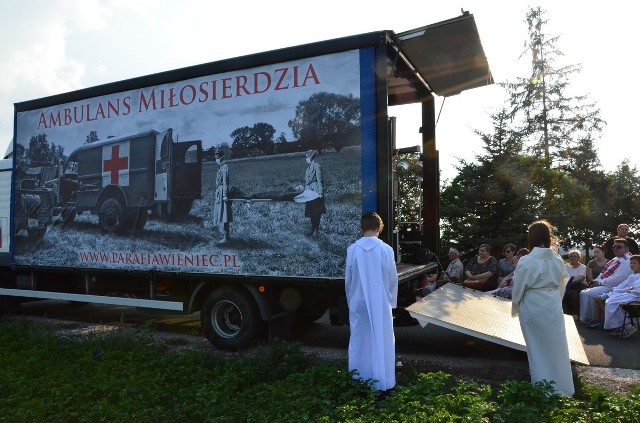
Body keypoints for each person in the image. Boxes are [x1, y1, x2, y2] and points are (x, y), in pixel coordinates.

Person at [511, 219, 574, 396]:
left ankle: (542, 389)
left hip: (533, 306)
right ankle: (563, 388)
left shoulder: (526, 260)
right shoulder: (557, 259)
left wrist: (516, 306)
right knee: (557, 346)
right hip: (552, 307)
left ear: (530, 237)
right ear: (548, 237)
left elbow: (518, 288)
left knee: (536, 348)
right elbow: (563, 283)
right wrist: (555, 301)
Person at [345, 211, 398, 393]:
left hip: (358, 300)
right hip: (381, 301)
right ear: (379, 228)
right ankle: (383, 382)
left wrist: (351, 301)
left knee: (359, 340)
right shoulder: (386, 250)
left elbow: (349, 280)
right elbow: (392, 279)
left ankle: (359, 380)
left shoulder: (352, 249)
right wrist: (390, 301)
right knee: (381, 340)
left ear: (361, 228)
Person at [579, 238, 633, 326]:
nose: (615, 248)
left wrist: (599, 283)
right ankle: (589, 319)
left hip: (615, 287)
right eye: (613, 247)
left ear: (626, 249)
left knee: (589, 294)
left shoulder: (628, 261)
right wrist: (594, 282)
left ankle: (594, 319)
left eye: (618, 247)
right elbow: (603, 273)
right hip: (606, 284)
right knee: (584, 292)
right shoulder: (616, 259)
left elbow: (617, 279)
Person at [602, 254, 640, 338]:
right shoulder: (632, 275)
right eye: (631, 263)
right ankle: (620, 326)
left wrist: (629, 290)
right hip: (629, 294)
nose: (631, 265)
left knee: (612, 302)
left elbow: (636, 289)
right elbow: (623, 285)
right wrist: (615, 289)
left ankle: (627, 327)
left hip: (635, 296)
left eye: (634, 263)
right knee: (611, 300)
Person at [302, 150, 325, 237]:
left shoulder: (317, 166)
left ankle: (316, 230)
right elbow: (307, 181)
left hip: (315, 190)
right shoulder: (308, 168)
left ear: (311, 158)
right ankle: (313, 230)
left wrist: (320, 193)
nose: (306, 159)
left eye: (307, 157)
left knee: (316, 212)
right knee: (311, 211)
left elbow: (320, 180)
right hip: (309, 191)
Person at [212, 149, 232, 243]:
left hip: (222, 193)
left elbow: (225, 182)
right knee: (222, 215)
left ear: (220, 156)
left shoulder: (224, 167)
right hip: (219, 192)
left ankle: (226, 237)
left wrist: (224, 195)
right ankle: (225, 236)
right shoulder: (220, 167)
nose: (216, 157)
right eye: (215, 155)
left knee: (225, 216)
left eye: (217, 156)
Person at [562, 250, 587, 315]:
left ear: (579, 258)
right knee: (562, 294)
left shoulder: (583, 267)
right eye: (571, 256)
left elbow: (581, 278)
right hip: (566, 284)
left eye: (575, 256)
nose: (573, 258)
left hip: (579, 285)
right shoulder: (565, 266)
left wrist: (571, 282)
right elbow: (562, 276)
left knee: (573, 294)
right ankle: (565, 313)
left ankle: (576, 313)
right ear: (569, 258)